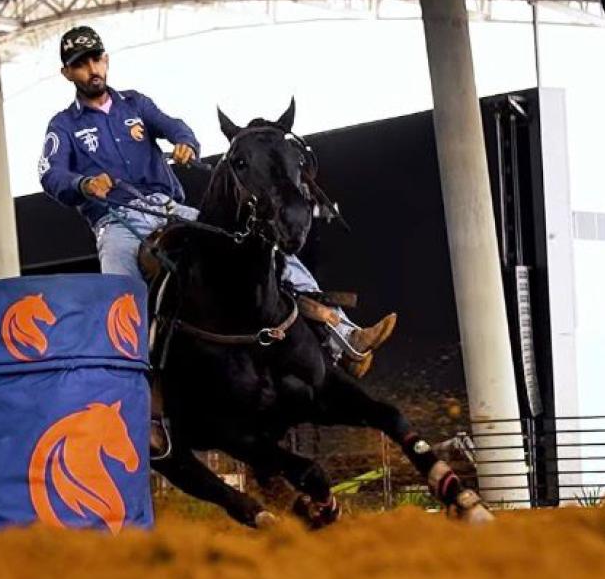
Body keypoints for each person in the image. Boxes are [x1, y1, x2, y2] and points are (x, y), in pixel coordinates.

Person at [38, 26, 397, 452]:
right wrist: (81, 183)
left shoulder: (136, 104)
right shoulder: (63, 126)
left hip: (170, 208)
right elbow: (50, 174)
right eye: (80, 64)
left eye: (96, 58)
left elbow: (176, 127)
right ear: (68, 73)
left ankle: (344, 334)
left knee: (256, 245)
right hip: (116, 225)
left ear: (106, 60)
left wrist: (185, 143)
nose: (91, 68)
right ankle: (146, 410)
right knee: (122, 306)